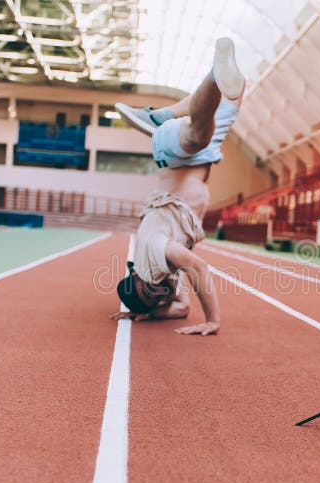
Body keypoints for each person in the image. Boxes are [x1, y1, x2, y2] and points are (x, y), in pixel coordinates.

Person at [110, 37, 244, 336]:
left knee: (197, 135)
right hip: (202, 157)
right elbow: (181, 307)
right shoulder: (163, 277)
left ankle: (184, 100)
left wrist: (212, 320)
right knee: (232, 96)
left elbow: (198, 267)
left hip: (176, 157)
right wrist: (150, 312)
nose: (159, 294)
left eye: (150, 291)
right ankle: (163, 114)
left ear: (139, 277)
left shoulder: (154, 254)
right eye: (156, 299)